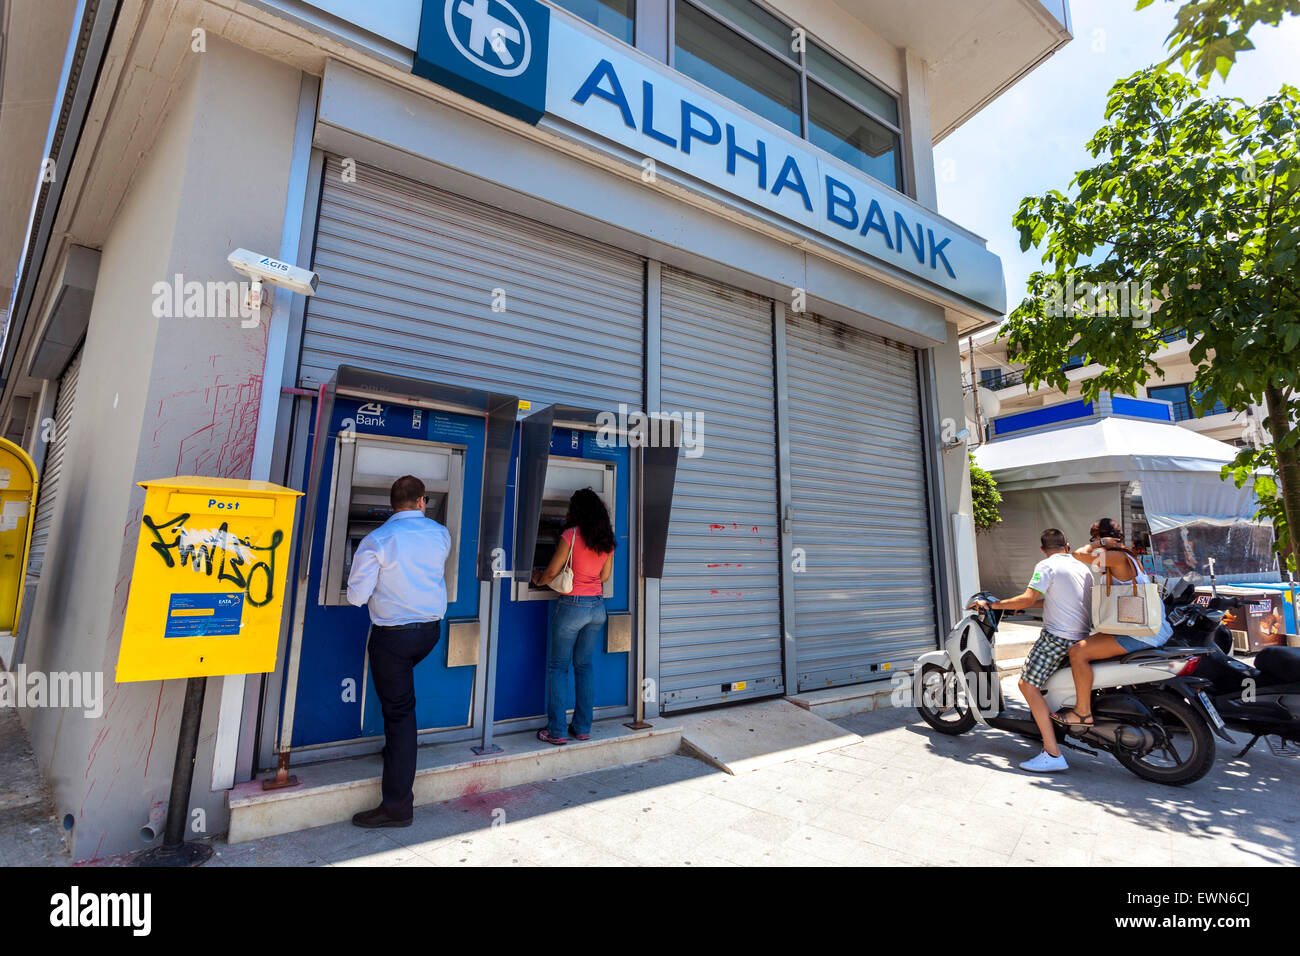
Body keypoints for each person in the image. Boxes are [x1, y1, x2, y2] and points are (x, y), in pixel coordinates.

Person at [345, 474, 451, 828]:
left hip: (393, 640)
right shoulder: (440, 534)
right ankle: (396, 752)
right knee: (400, 709)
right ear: (423, 501)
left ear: (392, 504)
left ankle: (397, 807)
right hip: (429, 634)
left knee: (401, 716)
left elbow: (357, 596)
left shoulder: (377, 539)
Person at [970, 528, 1092, 773]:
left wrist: (995, 604)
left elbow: (1027, 598)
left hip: (1058, 637)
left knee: (1027, 685)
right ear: (1067, 545)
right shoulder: (1081, 567)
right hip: (1082, 637)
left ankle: (1052, 752)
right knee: (1042, 684)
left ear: (1042, 549)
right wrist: (1020, 607)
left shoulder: (1046, 566)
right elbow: (1051, 599)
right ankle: (1044, 728)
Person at [1055, 517, 1171, 729]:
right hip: (1148, 627)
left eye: (1094, 537)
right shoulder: (1130, 556)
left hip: (1138, 632)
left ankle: (1082, 712)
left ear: (1103, 537)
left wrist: (1099, 543)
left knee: (1077, 652)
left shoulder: (1116, 557)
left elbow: (1078, 554)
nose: (1093, 541)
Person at [531, 488, 616, 745]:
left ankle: (556, 730)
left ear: (575, 511)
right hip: (597, 608)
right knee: (584, 666)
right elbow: (604, 577)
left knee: (558, 667)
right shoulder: (607, 540)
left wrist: (535, 577)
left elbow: (551, 572)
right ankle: (581, 727)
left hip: (572, 606)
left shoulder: (571, 534)